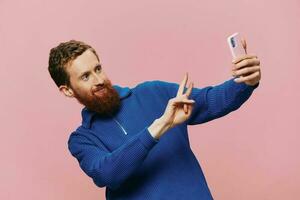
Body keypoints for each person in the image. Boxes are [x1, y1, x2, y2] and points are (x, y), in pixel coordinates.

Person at [48, 40, 261, 200]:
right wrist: (161, 125)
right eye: (85, 76)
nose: (99, 80)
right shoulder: (82, 140)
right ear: (67, 90)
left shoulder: (153, 92)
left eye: (98, 69)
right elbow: (108, 174)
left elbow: (212, 101)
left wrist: (245, 81)